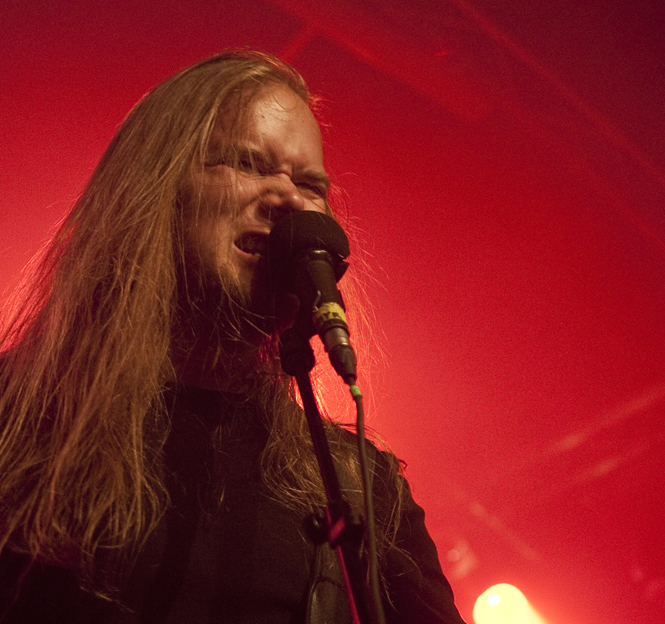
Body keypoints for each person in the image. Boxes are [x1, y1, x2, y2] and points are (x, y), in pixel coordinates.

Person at [0, 50, 465, 624]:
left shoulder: (362, 490)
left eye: (310, 185)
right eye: (248, 163)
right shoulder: (14, 417)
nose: (289, 199)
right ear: (155, 187)